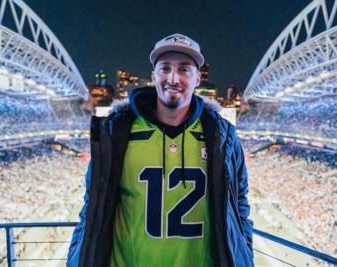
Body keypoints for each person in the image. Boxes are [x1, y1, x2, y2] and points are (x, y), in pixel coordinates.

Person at [67, 33, 254, 267]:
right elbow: (91, 207)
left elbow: (240, 206)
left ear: (198, 78)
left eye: (185, 69)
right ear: (154, 76)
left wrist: (245, 254)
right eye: (165, 68)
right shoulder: (116, 134)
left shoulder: (222, 137)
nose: (173, 78)